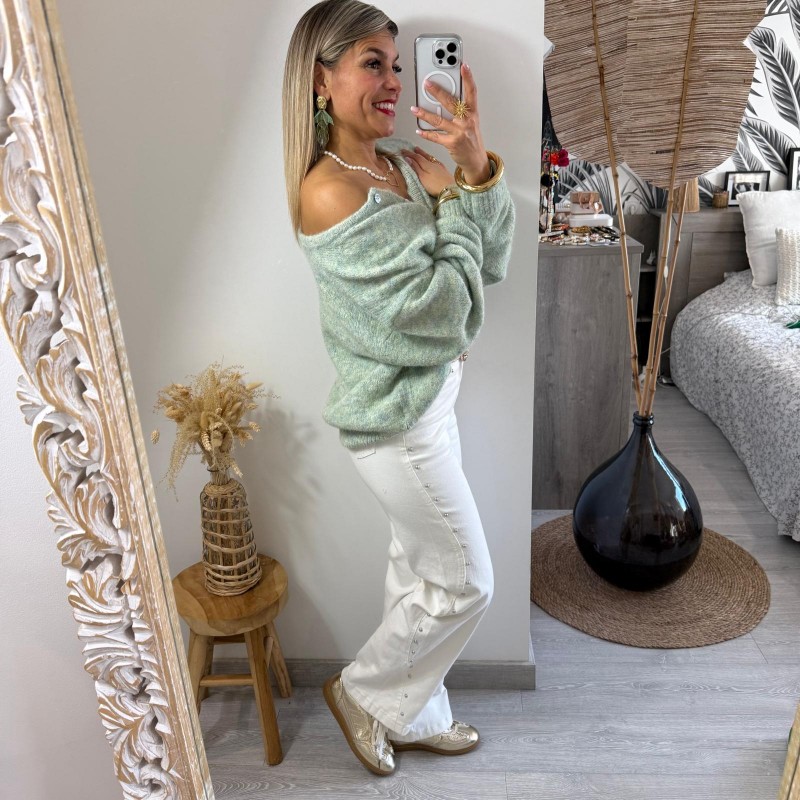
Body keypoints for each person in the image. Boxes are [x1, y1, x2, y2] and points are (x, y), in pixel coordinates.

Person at [282, 0, 515, 777]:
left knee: (419, 570)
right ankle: (364, 694)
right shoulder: (330, 192)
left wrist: (473, 165)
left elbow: (490, 262)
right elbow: (440, 311)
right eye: (372, 64)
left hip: (432, 403)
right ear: (321, 81)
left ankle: (416, 714)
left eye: (397, 64)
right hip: (396, 427)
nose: (392, 81)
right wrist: (452, 204)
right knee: (467, 581)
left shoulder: (402, 164)